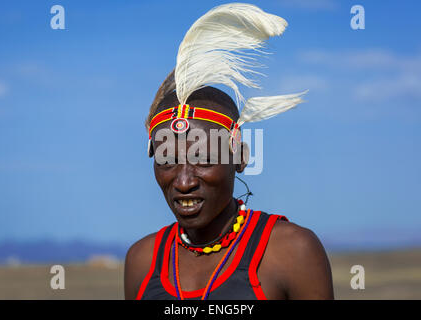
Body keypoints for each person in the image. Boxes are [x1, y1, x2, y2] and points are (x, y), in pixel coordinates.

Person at [124, 3, 334, 300]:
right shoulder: (143, 261)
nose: (184, 182)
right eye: (168, 160)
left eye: (204, 159)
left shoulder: (290, 251)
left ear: (239, 158)